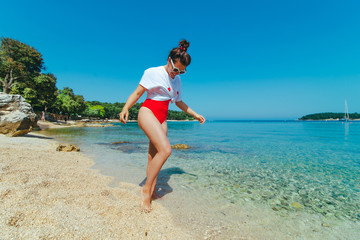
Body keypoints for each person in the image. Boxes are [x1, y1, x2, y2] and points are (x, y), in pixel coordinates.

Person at [119, 40, 205, 212]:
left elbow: (178, 102)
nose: (177, 73)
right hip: (148, 112)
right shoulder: (152, 72)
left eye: (182, 71)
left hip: (162, 118)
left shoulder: (177, 81)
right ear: (169, 60)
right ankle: (145, 190)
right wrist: (125, 108)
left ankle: (152, 190)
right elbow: (137, 92)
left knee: (154, 156)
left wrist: (194, 114)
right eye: (175, 69)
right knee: (166, 150)